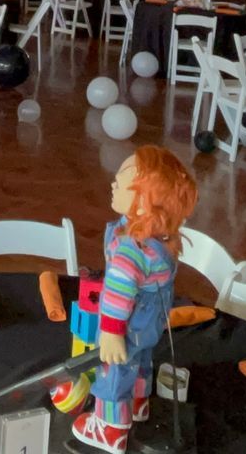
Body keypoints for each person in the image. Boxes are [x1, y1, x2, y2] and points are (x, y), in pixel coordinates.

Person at [52, 147, 196, 454]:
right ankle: (138, 403)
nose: (113, 183)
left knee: (113, 370)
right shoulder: (163, 240)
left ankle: (110, 427)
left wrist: (111, 331)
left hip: (126, 326)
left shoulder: (130, 250)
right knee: (142, 360)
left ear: (143, 204)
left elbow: (118, 295)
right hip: (152, 323)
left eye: (122, 180)